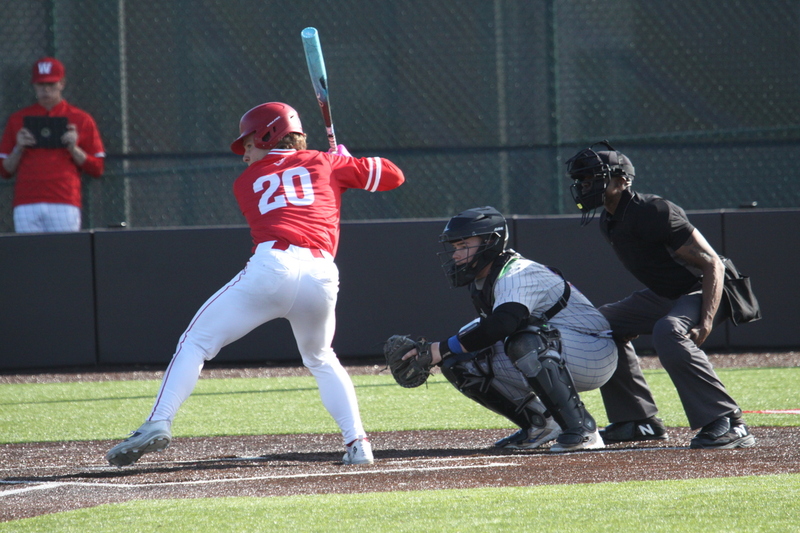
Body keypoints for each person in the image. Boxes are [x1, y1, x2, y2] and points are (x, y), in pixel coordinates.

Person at [106, 102, 405, 466]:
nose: (245, 155)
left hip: (273, 268)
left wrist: (332, 163)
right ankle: (358, 443)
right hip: (322, 275)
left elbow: (290, 177)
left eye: (249, 144)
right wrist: (347, 160)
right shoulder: (325, 163)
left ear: (269, 134)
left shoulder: (246, 183)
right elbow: (393, 176)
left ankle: (158, 421)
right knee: (321, 357)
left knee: (196, 341)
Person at [565, 141, 756, 449]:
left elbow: (711, 265)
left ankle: (730, 422)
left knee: (668, 331)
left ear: (622, 180)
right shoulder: (609, 221)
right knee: (597, 324)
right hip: (667, 294)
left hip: (707, 288)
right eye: (582, 179)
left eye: (592, 177)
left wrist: (705, 320)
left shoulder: (654, 210)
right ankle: (637, 420)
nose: (585, 184)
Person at [402, 206, 618, 452]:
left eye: (463, 246)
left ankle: (582, 430)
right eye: (454, 248)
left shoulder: (517, 272)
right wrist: (439, 351)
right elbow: (482, 332)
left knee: (524, 342)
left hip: (593, 349)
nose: (456, 255)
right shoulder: (485, 278)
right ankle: (540, 425)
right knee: (458, 360)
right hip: (562, 347)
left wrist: (440, 348)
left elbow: (504, 323)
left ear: (490, 242)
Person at [0, 57, 105, 232]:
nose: (46, 90)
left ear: (62, 84)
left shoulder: (81, 119)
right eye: (41, 85)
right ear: (34, 86)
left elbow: (98, 168)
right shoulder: (18, 119)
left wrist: (74, 148)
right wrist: (19, 147)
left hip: (63, 199)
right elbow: (4, 170)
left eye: (51, 84)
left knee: (63, 255)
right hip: (27, 201)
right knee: (30, 255)